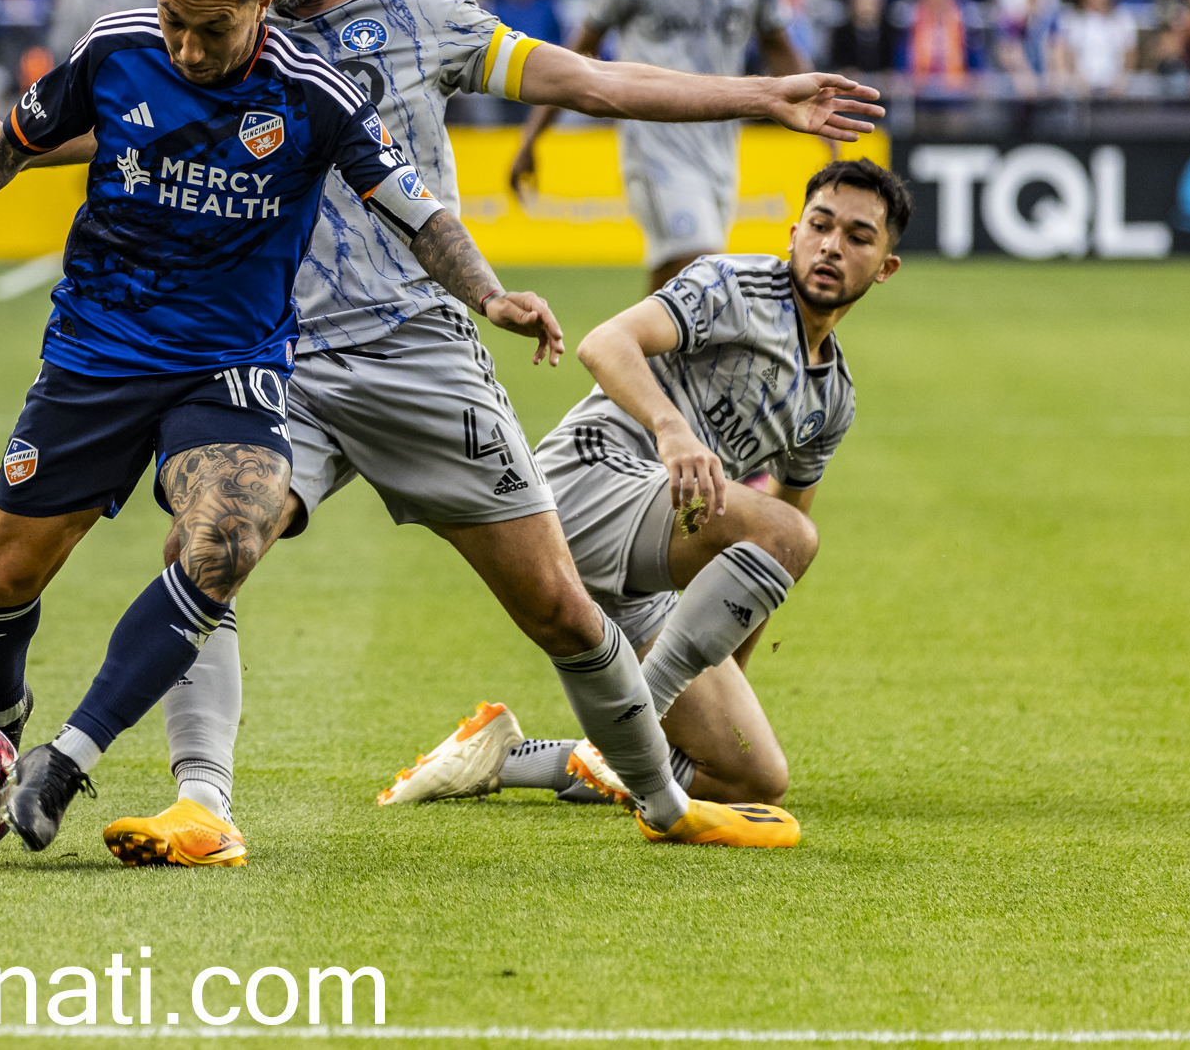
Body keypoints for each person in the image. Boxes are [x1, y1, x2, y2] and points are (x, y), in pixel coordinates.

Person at [83, 0, 879, 866]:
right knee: (207, 547)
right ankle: (203, 806)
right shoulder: (227, 33)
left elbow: (593, 81)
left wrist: (759, 95)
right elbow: (120, 123)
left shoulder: (424, 23)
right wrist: (4, 139)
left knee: (558, 604)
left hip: (420, 354)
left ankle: (659, 800)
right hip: (280, 360)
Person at [0, 0, 665, 859]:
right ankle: (3, 716)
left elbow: (419, 213)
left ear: (263, 1)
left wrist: (490, 295)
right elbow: (6, 149)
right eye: (174, 21)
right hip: (95, 354)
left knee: (227, 537)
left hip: (229, 366)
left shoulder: (315, 93)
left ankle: (65, 760)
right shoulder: (114, 52)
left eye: (214, 29)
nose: (189, 50)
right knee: (4, 576)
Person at [385, 162, 908, 813]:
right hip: (584, 483)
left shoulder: (832, 399)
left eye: (859, 237)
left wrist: (724, 667)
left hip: (651, 552)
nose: (832, 246)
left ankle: (513, 755)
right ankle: (626, 731)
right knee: (789, 530)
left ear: (884, 266)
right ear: (795, 232)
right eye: (822, 226)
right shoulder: (734, 284)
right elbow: (606, 343)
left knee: (752, 777)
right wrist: (672, 428)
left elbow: (770, 560)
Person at [513, 0, 813, 291]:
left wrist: (822, 111)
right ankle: (634, 353)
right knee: (704, 267)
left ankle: (634, 355)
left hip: (719, 143)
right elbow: (578, 54)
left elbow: (778, 45)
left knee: (678, 278)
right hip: (653, 141)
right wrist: (532, 137)